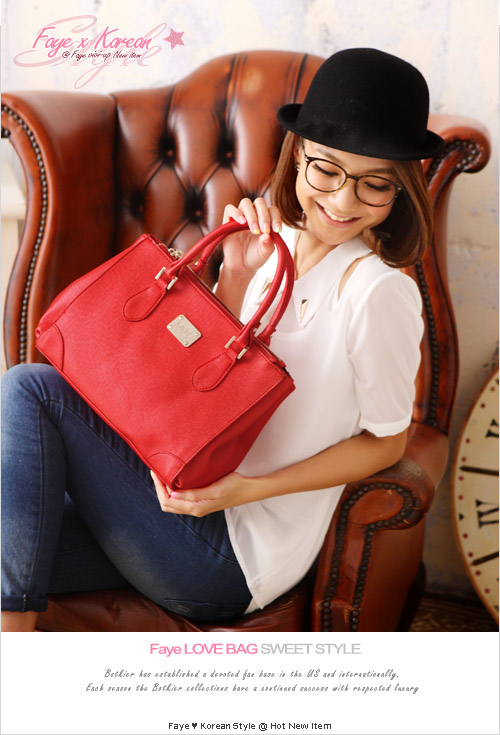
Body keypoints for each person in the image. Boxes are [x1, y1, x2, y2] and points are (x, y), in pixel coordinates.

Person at [1, 48, 444, 631]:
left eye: (374, 184)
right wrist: (234, 272)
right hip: (167, 497)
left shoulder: (378, 291)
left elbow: (386, 443)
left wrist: (246, 490)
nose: (342, 200)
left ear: (400, 190)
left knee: (32, 387)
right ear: (298, 154)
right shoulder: (271, 244)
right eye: (327, 170)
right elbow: (205, 388)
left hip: (234, 556)